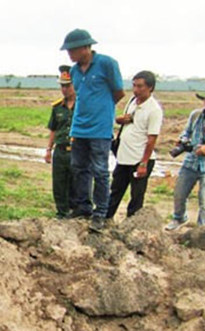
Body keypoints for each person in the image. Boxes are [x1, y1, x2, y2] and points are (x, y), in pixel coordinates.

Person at [60, 28, 125, 231]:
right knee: (79, 168)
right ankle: (83, 207)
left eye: (72, 50)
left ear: (85, 48)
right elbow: (80, 95)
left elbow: (118, 92)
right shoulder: (74, 71)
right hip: (79, 127)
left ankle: (100, 213)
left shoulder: (107, 64)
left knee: (100, 171)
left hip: (100, 128)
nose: (69, 55)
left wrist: (102, 111)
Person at [106, 71, 163, 219]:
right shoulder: (132, 101)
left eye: (140, 86)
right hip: (124, 156)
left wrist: (143, 163)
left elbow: (152, 139)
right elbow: (122, 122)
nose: (136, 90)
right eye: (134, 85)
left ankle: (131, 226)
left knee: (136, 197)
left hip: (139, 159)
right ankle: (105, 219)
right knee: (115, 191)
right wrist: (121, 120)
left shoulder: (154, 110)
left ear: (150, 88)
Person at [165, 83, 205, 231]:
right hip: (191, 162)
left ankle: (203, 230)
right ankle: (179, 218)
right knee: (179, 194)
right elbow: (186, 132)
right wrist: (182, 140)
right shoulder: (196, 115)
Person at [44, 65, 76, 219]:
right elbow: (53, 129)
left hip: (77, 151)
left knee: (77, 183)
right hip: (61, 150)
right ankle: (61, 213)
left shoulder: (82, 106)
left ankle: (75, 212)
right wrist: (49, 150)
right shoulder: (57, 107)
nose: (64, 89)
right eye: (62, 86)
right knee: (59, 184)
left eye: (67, 86)